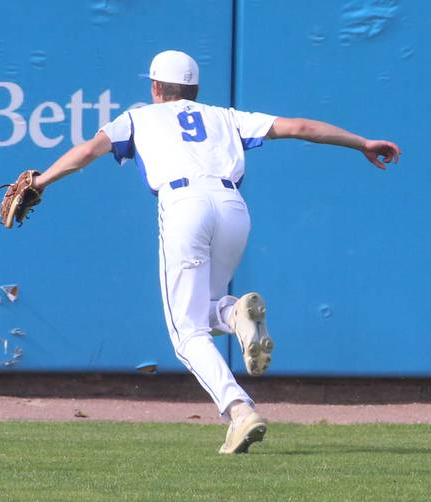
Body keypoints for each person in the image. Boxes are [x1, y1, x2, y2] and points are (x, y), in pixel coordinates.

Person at [26, 50, 400, 454]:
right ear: (195, 89)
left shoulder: (137, 117)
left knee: (187, 333)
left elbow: (86, 151)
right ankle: (234, 314)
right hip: (233, 208)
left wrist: (41, 182)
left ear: (155, 87)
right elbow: (300, 126)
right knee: (204, 309)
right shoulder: (225, 116)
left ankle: (239, 410)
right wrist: (361, 142)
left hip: (184, 205)